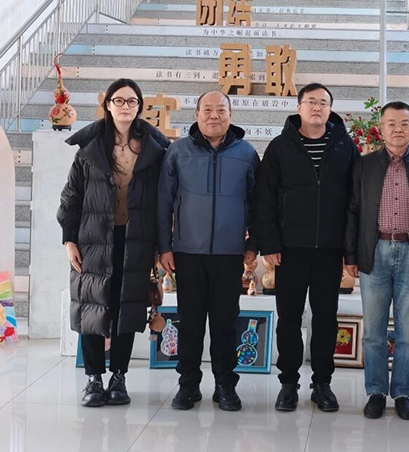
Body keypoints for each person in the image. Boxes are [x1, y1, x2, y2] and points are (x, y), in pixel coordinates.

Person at [58, 79, 170, 407]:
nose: (125, 106)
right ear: (107, 105)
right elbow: (71, 197)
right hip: (92, 238)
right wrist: (69, 240)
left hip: (136, 239)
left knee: (127, 307)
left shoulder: (154, 149)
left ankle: (119, 376)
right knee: (92, 307)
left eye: (131, 101)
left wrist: (160, 244)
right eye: (118, 100)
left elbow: (163, 201)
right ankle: (94, 378)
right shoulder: (90, 148)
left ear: (139, 106)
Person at [252, 83, 358, 413]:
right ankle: (288, 384)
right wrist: (269, 243)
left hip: (329, 249)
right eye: (311, 101)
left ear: (330, 109)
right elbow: (264, 199)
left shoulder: (344, 146)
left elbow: (354, 201)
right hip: (289, 249)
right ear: (298, 107)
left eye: (323, 102)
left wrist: (349, 249)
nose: (317, 107)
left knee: (325, 319)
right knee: (289, 319)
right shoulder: (280, 147)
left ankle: (322, 384)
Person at [157, 90, 260, 412]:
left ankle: (225, 385)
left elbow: (258, 204)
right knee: (190, 323)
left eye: (221, 110)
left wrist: (253, 245)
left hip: (230, 254)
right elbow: (163, 202)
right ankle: (187, 385)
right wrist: (164, 246)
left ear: (230, 114)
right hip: (187, 252)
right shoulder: (178, 152)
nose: (214, 115)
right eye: (207, 110)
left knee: (225, 324)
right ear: (197, 114)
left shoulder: (246, 153)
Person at [344, 102, 409, 420]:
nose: (397, 129)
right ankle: (375, 392)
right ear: (381, 128)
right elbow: (352, 211)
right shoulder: (364, 165)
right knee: (373, 331)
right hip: (374, 252)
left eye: (404, 123)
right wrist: (350, 255)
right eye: (391, 123)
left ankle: (403, 393)